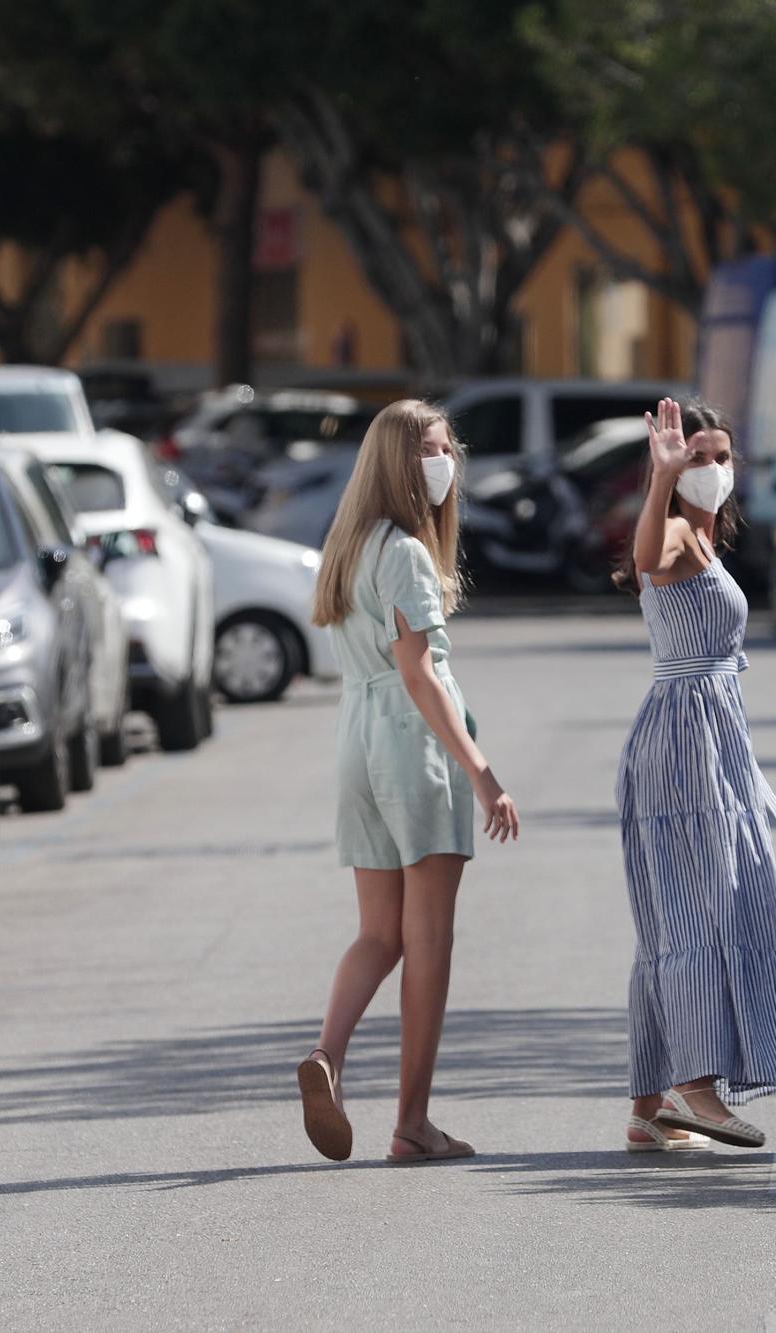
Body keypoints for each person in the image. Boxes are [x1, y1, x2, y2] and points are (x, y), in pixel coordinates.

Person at [295, 399, 520, 1166]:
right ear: (399, 460)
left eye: (448, 446)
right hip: (411, 745)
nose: (445, 461)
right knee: (428, 940)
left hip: (354, 738)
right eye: (431, 449)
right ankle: (412, 1122)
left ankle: (328, 1054)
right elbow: (419, 674)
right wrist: (482, 773)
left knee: (378, 931)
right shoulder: (405, 553)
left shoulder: (348, 544)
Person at [612, 398, 776, 1153]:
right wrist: (661, 480)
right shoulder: (674, 528)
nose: (711, 471)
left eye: (720, 458)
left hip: (714, 740)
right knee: (700, 911)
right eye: (697, 458)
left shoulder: (711, 537)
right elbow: (645, 557)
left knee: (673, 917)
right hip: (681, 741)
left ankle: (649, 1106)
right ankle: (697, 1087)